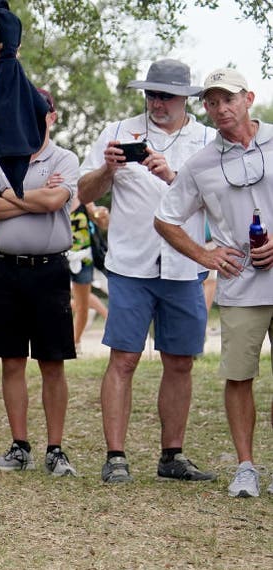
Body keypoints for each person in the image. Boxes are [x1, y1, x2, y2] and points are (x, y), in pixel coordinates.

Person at [78, 58, 217, 484]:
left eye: (165, 96)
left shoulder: (210, 140)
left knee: (180, 362)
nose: (156, 102)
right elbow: (81, 192)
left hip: (184, 264)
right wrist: (108, 169)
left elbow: (218, 204)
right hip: (131, 265)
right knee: (123, 358)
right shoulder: (117, 131)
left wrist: (173, 176)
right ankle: (115, 456)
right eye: (150, 94)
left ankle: (171, 456)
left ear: (185, 99)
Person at [154, 68, 273, 498]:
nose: (220, 109)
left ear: (249, 99)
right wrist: (205, 255)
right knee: (239, 378)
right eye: (211, 101)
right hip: (241, 288)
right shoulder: (200, 164)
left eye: (229, 99)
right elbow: (165, 218)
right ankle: (246, 468)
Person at [0, 88, 79, 477]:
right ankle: (20, 447)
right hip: (4, 270)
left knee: (52, 362)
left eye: (40, 112)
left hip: (49, 269)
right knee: (12, 359)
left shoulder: (65, 158)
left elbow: (55, 203)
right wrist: (32, 196)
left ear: (52, 116)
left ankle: (55, 449)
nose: (32, 118)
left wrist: (9, 194)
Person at [68, 198, 109, 354]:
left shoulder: (83, 197)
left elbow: (101, 221)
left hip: (84, 258)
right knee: (57, 300)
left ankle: (75, 342)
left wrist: (102, 214)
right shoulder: (52, 193)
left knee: (83, 305)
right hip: (57, 258)